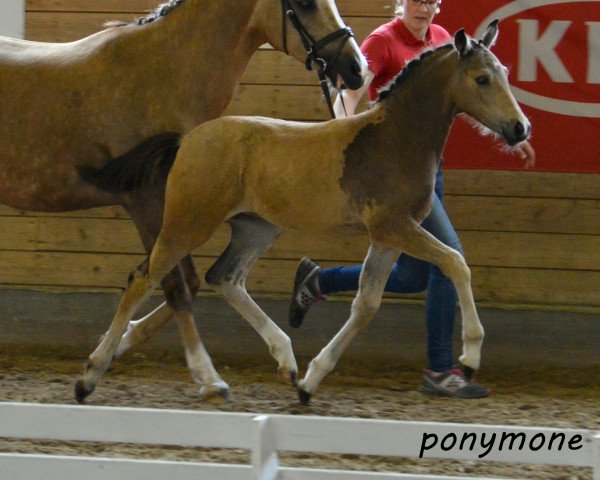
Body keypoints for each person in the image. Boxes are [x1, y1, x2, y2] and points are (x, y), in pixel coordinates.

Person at [288, 0, 535, 399]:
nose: (425, 9)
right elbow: (351, 89)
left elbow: (469, 93)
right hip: (392, 179)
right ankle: (440, 370)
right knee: (447, 258)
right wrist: (341, 131)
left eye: (432, 2)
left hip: (427, 173)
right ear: (401, 3)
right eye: (417, 1)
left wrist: (509, 134)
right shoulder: (383, 41)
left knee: (412, 275)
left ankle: (320, 280)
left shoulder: (444, 41)